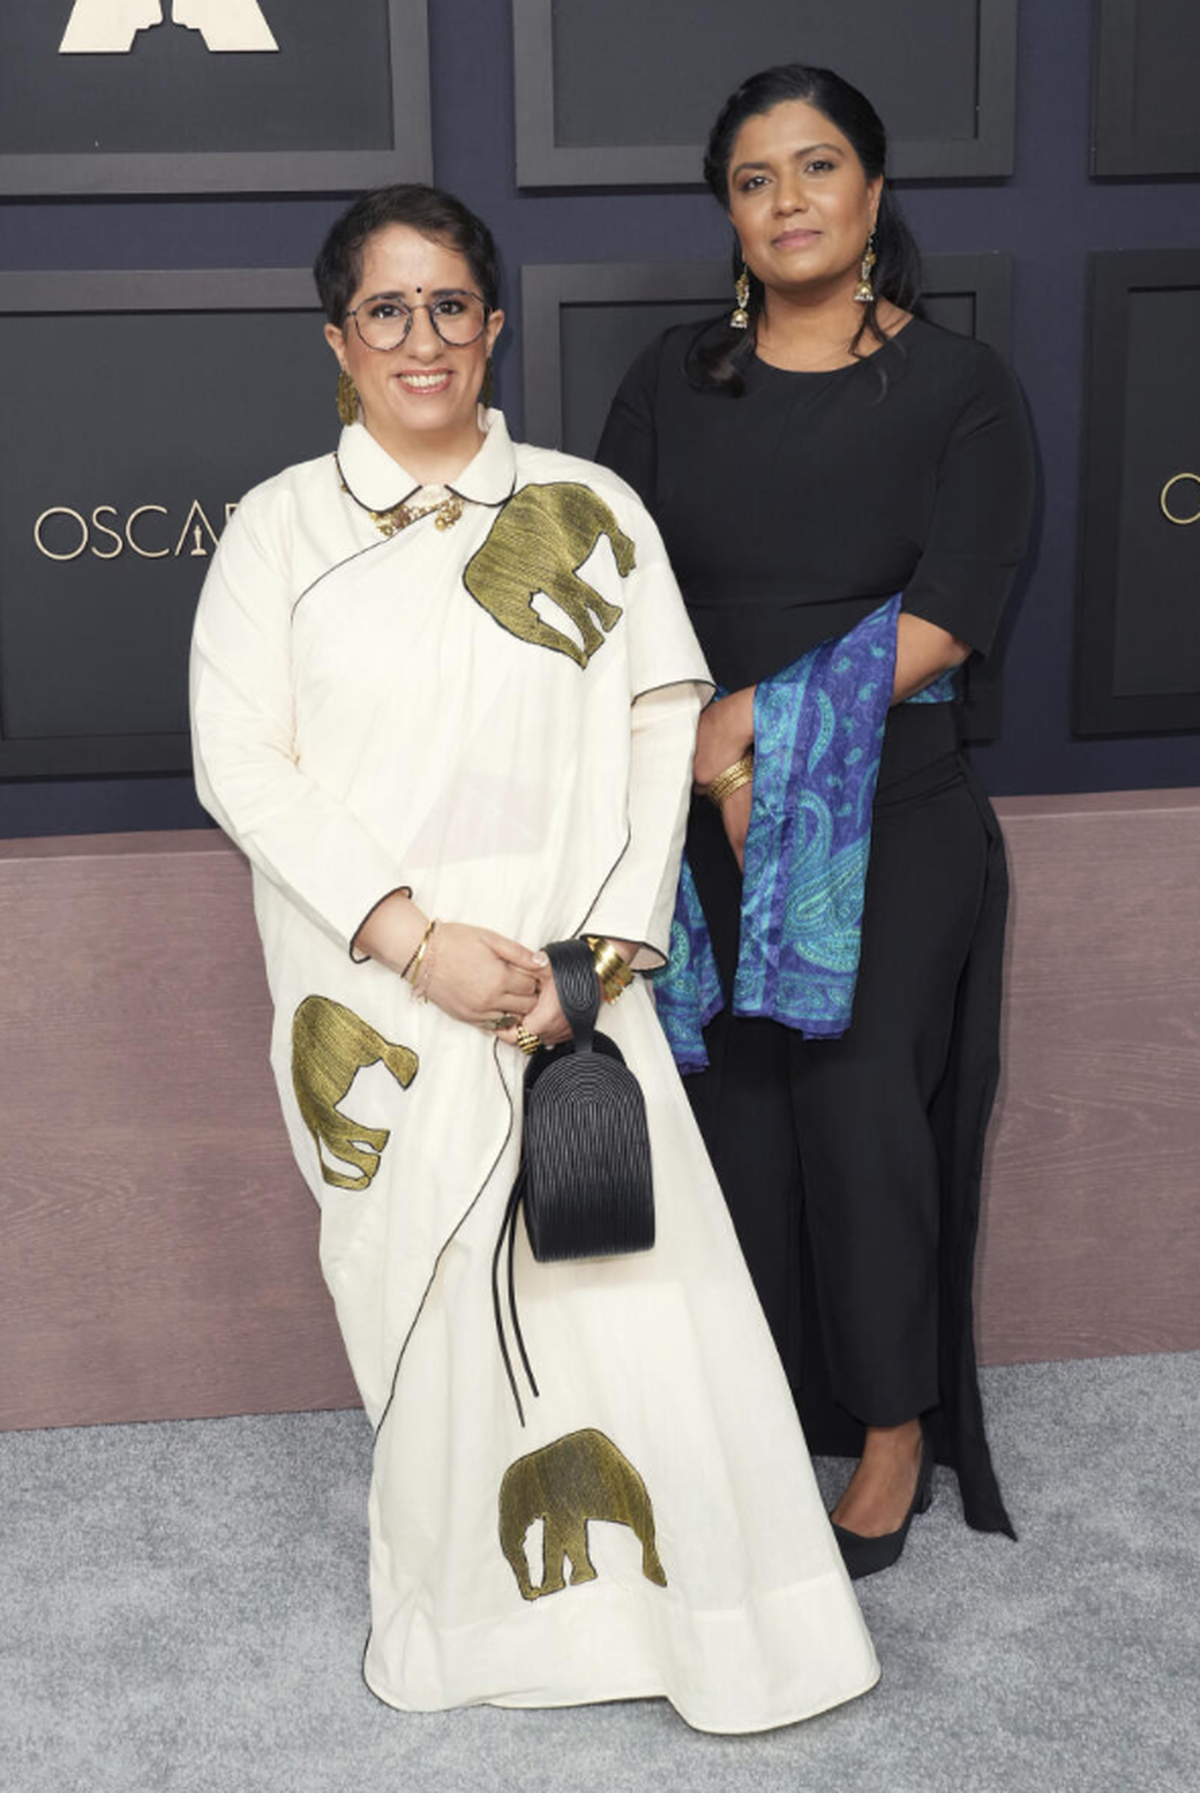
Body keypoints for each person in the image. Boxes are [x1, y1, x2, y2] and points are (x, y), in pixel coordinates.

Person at [190, 183, 878, 1730]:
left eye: (450, 307)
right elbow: (244, 766)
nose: (421, 339)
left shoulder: (590, 509)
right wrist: (415, 941)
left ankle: (700, 1625)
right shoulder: (275, 532)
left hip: (577, 987)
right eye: (388, 309)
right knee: (421, 1304)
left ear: (494, 327)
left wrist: (603, 947)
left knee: (630, 1287)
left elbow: (657, 734)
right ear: (338, 341)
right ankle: (472, 1624)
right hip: (374, 993)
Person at [598, 65, 1035, 1578]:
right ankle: (758, 1403)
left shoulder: (961, 388)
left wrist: (758, 723)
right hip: (696, 817)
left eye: (818, 166)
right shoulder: (668, 381)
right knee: (733, 1114)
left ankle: (896, 1430)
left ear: (874, 191)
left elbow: (957, 612)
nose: (787, 200)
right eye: (754, 177)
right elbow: (615, 592)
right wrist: (698, 746)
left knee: (858, 1116)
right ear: (728, 210)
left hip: (889, 806)